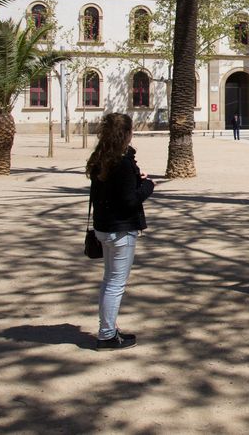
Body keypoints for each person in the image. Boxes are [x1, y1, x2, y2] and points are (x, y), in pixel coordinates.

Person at [86, 113, 155, 351]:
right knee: (116, 284)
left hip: (104, 227)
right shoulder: (122, 163)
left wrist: (136, 180)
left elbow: (109, 192)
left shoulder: (100, 159)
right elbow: (129, 201)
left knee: (109, 281)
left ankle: (109, 328)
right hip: (120, 230)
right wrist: (148, 186)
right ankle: (106, 334)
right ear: (125, 134)